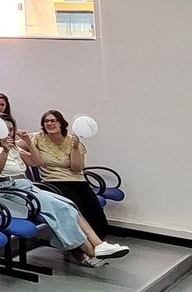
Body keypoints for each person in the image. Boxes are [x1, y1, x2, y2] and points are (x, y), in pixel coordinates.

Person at [0, 124, 98, 266]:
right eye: (6, 130)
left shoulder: (14, 148)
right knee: (62, 208)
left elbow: (37, 162)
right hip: (11, 191)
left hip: (27, 186)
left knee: (69, 204)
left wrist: (28, 142)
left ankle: (98, 246)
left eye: (11, 130)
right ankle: (91, 252)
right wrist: (5, 150)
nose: (9, 133)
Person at [29, 111, 128, 260]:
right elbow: (15, 144)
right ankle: (82, 249)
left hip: (77, 180)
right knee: (78, 207)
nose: (50, 124)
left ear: (61, 123)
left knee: (96, 211)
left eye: (54, 121)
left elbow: (77, 168)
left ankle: (99, 246)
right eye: (46, 121)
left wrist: (75, 149)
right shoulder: (37, 138)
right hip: (53, 182)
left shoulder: (72, 140)